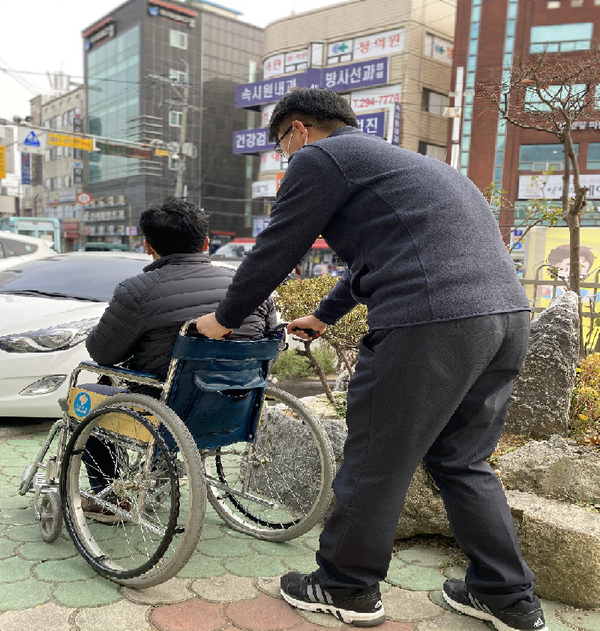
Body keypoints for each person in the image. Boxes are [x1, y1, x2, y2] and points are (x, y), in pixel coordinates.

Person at [195, 88, 545, 631]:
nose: (287, 157)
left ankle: (345, 586)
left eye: (282, 144)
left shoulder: (319, 157)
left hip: (430, 322)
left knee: (377, 459)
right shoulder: (415, 166)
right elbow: (381, 257)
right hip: (505, 319)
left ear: (299, 130)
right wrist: (326, 315)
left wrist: (224, 319)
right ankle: (507, 596)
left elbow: (277, 248)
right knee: (462, 460)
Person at [82, 197, 276, 520]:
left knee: (85, 397)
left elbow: (102, 352)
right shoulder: (248, 286)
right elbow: (271, 343)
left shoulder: (137, 291)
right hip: (236, 406)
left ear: (147, 246)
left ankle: (109, 497)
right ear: (206, 243)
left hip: (166, 413)